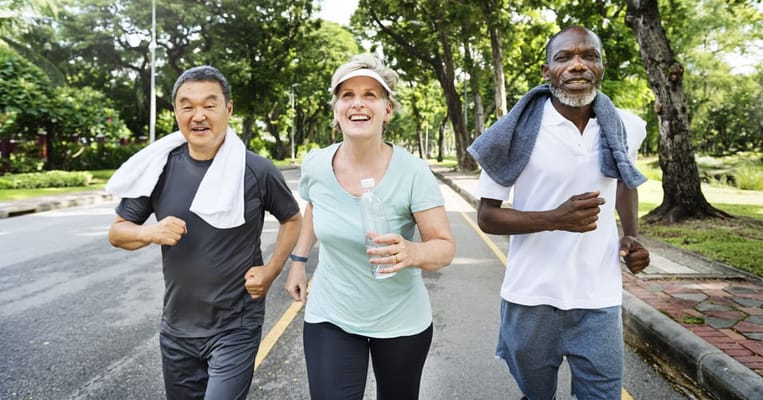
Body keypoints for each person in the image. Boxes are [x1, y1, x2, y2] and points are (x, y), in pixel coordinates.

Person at [467, 26, 651, 400]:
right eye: (564, 57)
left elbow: (624, 181)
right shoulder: (513, 132)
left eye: (589, 56)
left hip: (598, 297)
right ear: (547, 70)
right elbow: (487, 217)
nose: (578, 65)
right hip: (531, 298)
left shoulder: (627, 126)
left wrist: (630, 235)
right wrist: (555, 219)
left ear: (602, 66)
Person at [106, 65, 302, 400]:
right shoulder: (159, 168)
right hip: (177, 328)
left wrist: (271, 272)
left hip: (235, 325)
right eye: (187, 105)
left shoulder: (256, 170)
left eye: (209, 105)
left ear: (228, 109)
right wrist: (150, 233)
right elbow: (117, 232)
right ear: (176, 113)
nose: (198, 115)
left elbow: (292, 219)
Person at [284, 54, 456, 400]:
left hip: (400, 320)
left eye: (370, 95)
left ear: (387, 109)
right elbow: (315, 209)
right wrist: (298, 263)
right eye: (347, 95)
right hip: (331, 314)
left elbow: (444, 246)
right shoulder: (317, 164)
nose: (357, 103)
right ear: (336, 109)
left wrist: (412, 251)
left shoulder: (412, 172)